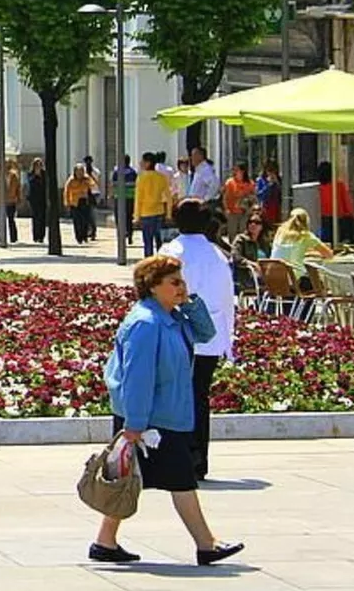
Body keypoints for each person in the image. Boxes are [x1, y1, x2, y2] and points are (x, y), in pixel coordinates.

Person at [91, 257, 243, 567]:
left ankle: (105, 542)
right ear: (152, 286)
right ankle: (206, 544)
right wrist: (134, 424)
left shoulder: (171, 317)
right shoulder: (146, 324)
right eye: (174, 282)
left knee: (131, 478)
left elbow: (204, 333)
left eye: (182, 280)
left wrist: (191, 302)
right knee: (181, 480)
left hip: (166, 414)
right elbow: (137, 376)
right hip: (151, 420)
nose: (181, 287)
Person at [160, 199, 236, 482]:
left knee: (175, 396)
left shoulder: (171, 252)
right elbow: (228, 301)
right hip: (211, 335)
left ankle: (177, 457)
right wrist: (227, 338)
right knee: (199, 396)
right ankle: (198, 460)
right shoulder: (218, 256)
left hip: (177, 335)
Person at [270, 207, 331, 293]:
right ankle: (306, 306)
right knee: (318, 284)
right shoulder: (306, 235)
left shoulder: (280, 232)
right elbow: (328, 254)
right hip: (294, 281)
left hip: (273, 278)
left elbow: (288, 250)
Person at [134, 153, 171, 258]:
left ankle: (148, 262)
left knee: (148, 242)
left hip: (146, 213)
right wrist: (169, 214)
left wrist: (136, 217)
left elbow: (138, 199)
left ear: (148, 163)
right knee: (159, 241)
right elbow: (168, 197)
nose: (141, 163)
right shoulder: (161, 177)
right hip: (159, 212)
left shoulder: (141, 178)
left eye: (143, 161)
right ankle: (161, 261)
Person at [317, 160, 354, 243]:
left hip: (325, 219)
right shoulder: (338, 185)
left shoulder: (319, 188)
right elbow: (348, 204)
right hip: (341, 218)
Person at [64, 163, 95, 245]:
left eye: (81, 171)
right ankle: (79, 237)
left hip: (84, 201)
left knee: (85, 220)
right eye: (78, 171)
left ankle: (84, 236)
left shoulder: (86, 178)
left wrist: (89, 181)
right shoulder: (71, 180)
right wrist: (67, 202)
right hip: (75, 203)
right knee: (77, 221)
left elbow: (93, 185)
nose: (80, 173)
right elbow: (67, 191)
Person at [0, 158, 21, 244]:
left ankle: (13, 238)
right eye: (5, 164)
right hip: (0, 202)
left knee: (11, 220)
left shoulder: (14, 176)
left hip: (11, 201)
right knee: (0, 220)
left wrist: (19, 198)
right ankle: (1, 237)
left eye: (9, 164)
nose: (7, 166)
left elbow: (18, 188)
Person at [25, 158, 48, 243]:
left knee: (42, 217)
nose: (38, 166)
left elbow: (46, 184)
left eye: (40, 164)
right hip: (33, 199)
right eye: (37, 165)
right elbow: (30, 183)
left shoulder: (45, 174)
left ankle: (41, 236)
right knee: (35, 217)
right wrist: (36, 175)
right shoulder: (30, 174)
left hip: (42, 198)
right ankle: (35, 236)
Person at [255, 159, 283, 228]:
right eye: (269, 170)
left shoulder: (279, 179)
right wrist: (269, 185)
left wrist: (277, 183)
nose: (270, 172)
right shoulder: (261, 180)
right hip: (266, 207)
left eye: (273, 170)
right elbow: (259, 195)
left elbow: (283, 193)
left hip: (277, 206)